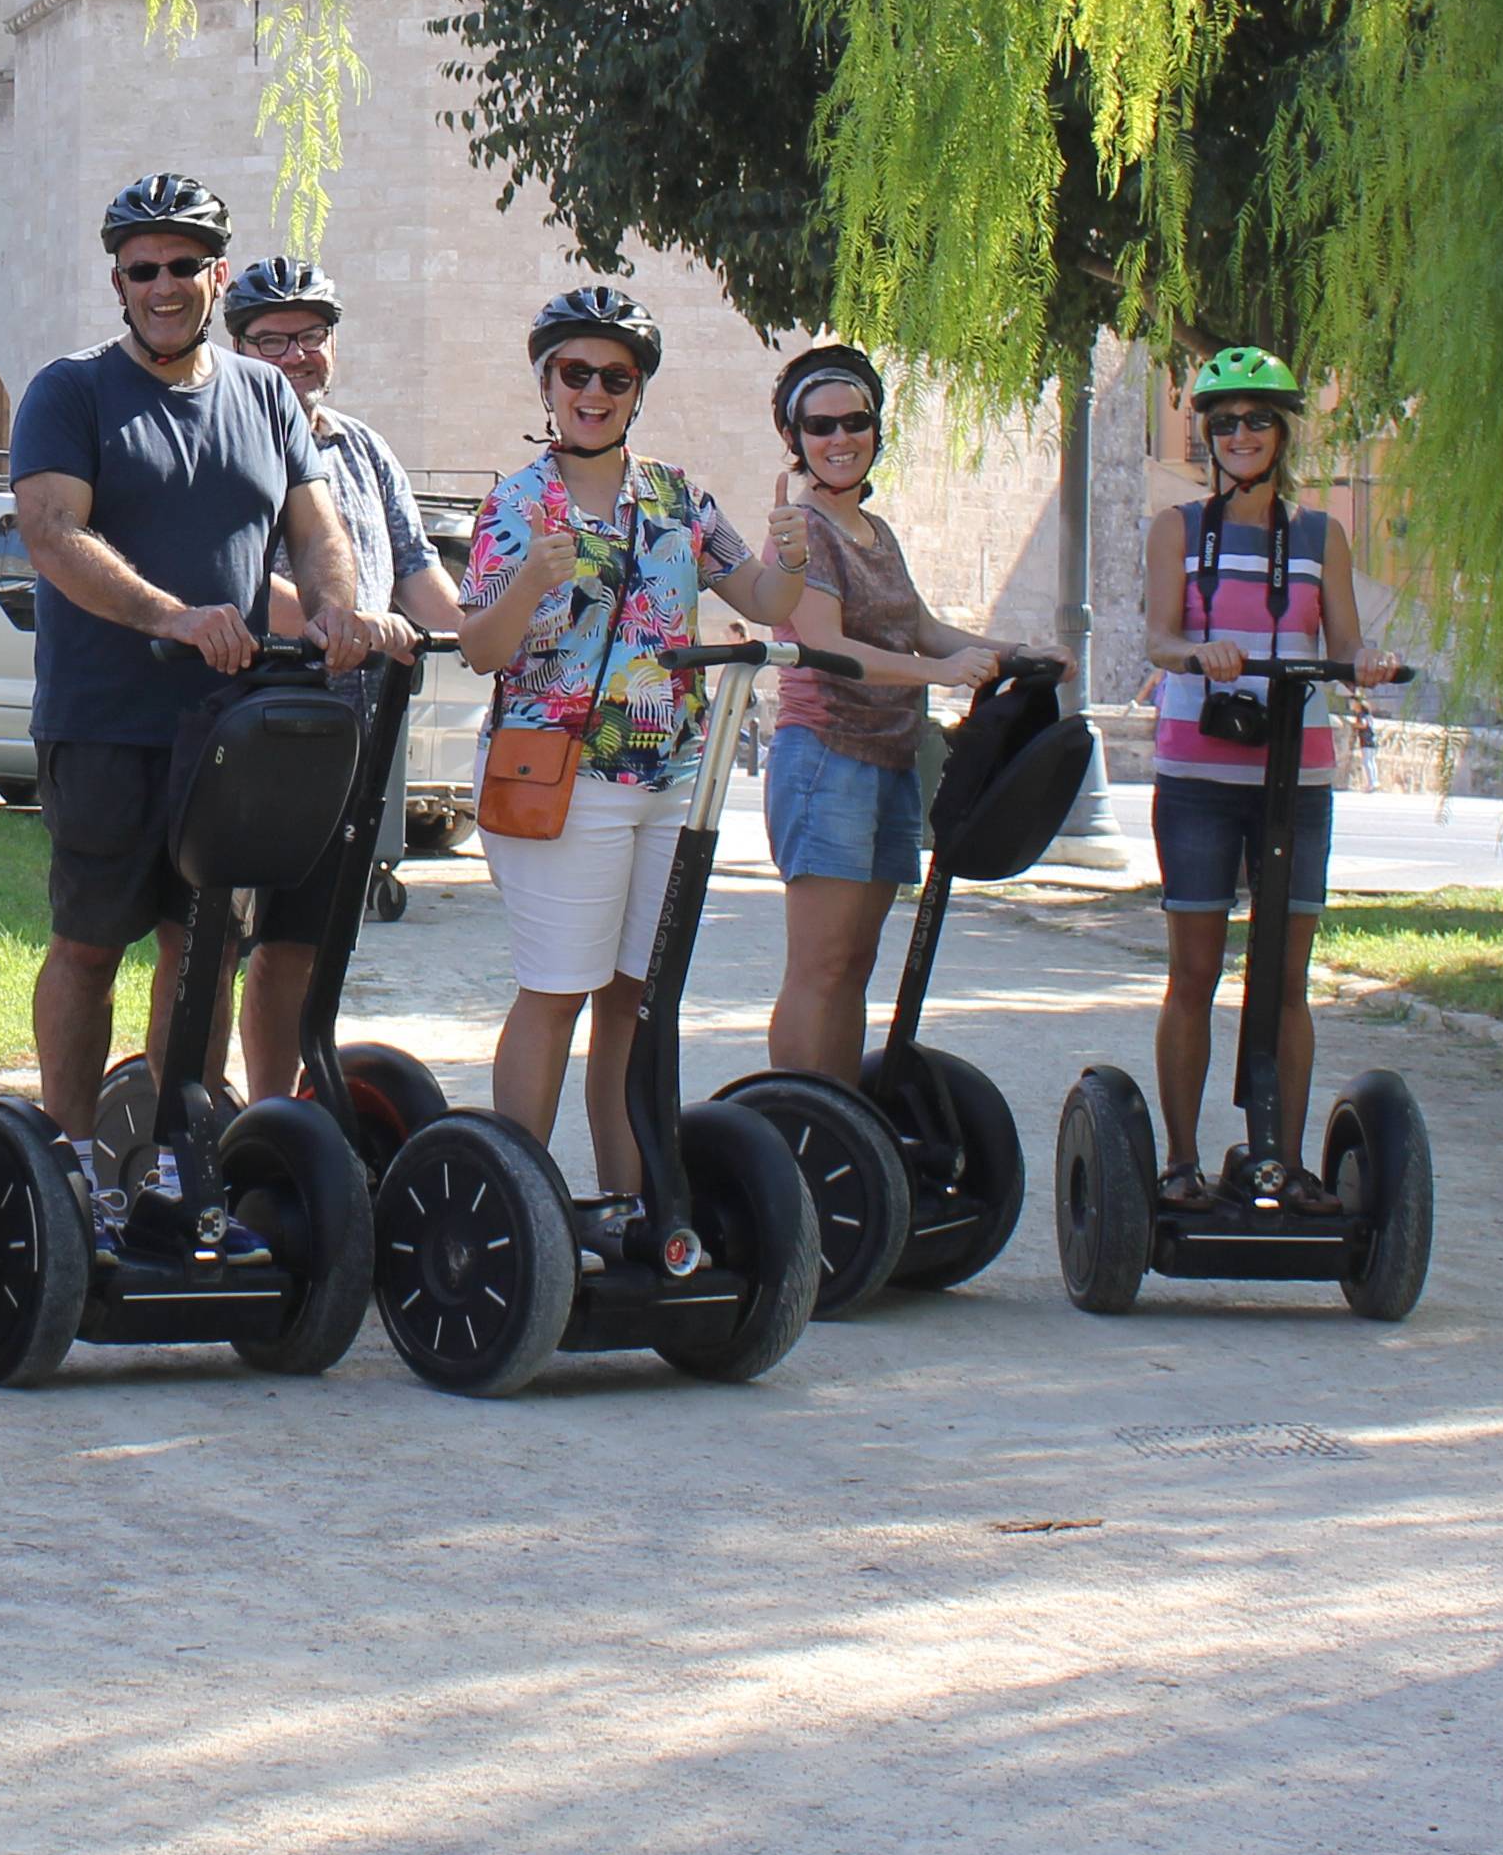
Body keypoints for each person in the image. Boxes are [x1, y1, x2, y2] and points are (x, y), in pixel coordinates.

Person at [449, 285, 865, 1231]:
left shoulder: (679, 498)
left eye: (615, 376)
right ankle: (526, 1211)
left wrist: (792, 552)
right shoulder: (518, 503)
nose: (593, 391)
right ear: (547, 382)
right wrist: (529, 583)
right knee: (558, 990)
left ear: (638, 390)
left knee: (635, 1000)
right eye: (575, 373)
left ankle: (632, 1207)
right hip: (557, 775)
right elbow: (481, 648)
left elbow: (760, 598)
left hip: (668, 778)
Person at [6, 174, 383, 1220]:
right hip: (105, 716)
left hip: (231, 723)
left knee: (202, 944)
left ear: (218, 275)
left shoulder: (264, 395)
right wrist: (165, 613)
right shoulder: (70, 391)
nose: (164, 286)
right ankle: (73, 1161)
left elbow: (315, 530)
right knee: (90, 944)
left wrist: (340, 611)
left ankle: (176, 1148)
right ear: (119, 279)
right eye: (143, 269)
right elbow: (52, 531)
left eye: (184, 266)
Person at [1137, 345, 1402, 1202]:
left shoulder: (1320, 535)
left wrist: (1366, 666)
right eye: (1224, 423)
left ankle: (1281, 1162)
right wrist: (1198, 651)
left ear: (1283, 434)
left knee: (1286, 977)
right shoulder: (1178, 528)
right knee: (1195, 969)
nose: (1241, 435)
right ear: (1206, 436)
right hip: (1200, 774)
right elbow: (1157, 639)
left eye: (1257, 421)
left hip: (1299, 778)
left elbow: (1347, 643)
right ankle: (1180, 1164)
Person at [220, 255, 471, 1100]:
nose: (298, 355)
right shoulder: (229, 437)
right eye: (275, 339)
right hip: (265, 722)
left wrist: (474, 633)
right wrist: (336, 623)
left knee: (315, 935)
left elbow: (412, 565)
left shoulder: (359, 445)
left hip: (358, 720)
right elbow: (233, 576)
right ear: (240, 346)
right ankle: (252, 1114)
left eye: (313, 336)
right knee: (244, 937)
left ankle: (291, 1113)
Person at [753, 341, 1017, 1078]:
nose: (840, 439)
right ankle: (799, 1120)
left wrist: (1013, 650)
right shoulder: (804, 532)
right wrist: (941, 671)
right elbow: (830, 646)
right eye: (820, 426)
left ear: (876, 430)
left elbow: (920, 628)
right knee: (820, 966)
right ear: (795, 438)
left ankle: (844, 1122)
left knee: (856, 964)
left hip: (891, 757)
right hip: (826, 757)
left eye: (854, 422)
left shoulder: (877, 531)